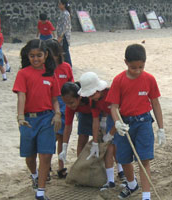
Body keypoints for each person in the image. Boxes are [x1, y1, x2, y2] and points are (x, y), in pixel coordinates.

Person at [106, 44, 166, 200]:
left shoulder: (150, 79)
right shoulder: (119, 80)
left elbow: (155, 103)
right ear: (126, 62)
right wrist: (117, 123)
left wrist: (161, 128)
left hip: (143, 122)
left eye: (141, 67)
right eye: (133, 67)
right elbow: (114, 107)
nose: (138, 70)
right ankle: (132, 185)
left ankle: (146, 195)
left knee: (143, 159)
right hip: (125, 125)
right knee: (124, 158)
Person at [12, 39, 62, 200]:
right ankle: (34, 175)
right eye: (32, 56)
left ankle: (41, 191)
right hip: (28, 120)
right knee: (30, 156)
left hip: (47, 119)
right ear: (28, 56)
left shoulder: (51, 74)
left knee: (46, 154)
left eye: (39, 55)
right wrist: (20, 117)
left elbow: (55, 99)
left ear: (46, 55)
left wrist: (57, 114)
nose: (35, 59)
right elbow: (21, 96)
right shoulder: (23, 73)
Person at [77, 72, 126, 190]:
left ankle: (126, 175)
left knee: (120, 148)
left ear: (98, 90)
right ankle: (110, 181)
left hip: (121, 119)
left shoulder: (111, 93)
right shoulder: (92, 100)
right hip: (109, 119)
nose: (89, 98)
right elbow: (95, 120)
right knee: (108, 149)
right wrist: (94, 141)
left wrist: (111, 133)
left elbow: (120, 115)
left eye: (91, 95)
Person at [45, 39, 73, 178]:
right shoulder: (45, 70)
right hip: (50, 104)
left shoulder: (66, 67)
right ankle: (46, 165)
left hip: (65, 103)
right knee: (52, 136)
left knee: (63, 137)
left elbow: (72, 85)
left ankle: (61, 167)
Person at [58, 81, 93, 161]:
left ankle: (119, 168)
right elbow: (68, 126)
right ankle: (80, 164)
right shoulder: (70, 107)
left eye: (71, 103)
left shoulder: (91, 98)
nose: (69, 106)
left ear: (79, 97)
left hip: (99, 113)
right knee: (82, 138)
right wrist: (64, 148)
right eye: (66, 103)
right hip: (84, 114)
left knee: (102, 140)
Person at [56, 0, 72, 67]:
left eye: (60, 4)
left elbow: (65, 26)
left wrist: (60, 37)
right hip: (62, 35)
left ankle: (69, 65)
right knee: (62, 50)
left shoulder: (65, 14)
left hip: (64, 36)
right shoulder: (63, 13)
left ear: (64, 5)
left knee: (65, 51)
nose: (58, 5)